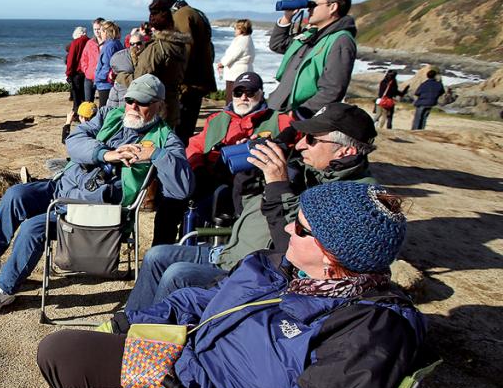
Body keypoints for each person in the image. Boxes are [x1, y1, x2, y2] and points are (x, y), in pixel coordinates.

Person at [0, 181, 424, 388]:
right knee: (61, 351)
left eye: (302, 227)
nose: (287, 227)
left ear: (332, 257)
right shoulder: (284, 267)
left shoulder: (370, 332)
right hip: (187, 373)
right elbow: (201, 300)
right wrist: (129, 323)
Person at [0, 75, 193, 315]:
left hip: (97, 211)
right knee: (17, 194)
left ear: (159, 105)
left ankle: (4, 290)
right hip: (64, 186)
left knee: (33, 228)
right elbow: (75, 140)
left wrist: (156, 155)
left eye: (142, 102)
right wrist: (105, 154)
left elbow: (182, 189)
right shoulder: (110, 115)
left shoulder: (165, 140)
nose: (132, 107)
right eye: (130, 100)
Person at [126, 102, 377, 311]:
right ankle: (129, 325)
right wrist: (249, 176)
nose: (300, 145)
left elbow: (289, 246)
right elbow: (246, 207)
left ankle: (149, 339)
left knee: (177, 274)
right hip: (232, 253)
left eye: (311, 140)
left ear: (345, 150)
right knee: (156, 255)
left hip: (261, 274)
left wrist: (279, 184)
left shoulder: (354, 198)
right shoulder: (309, 171)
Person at [184, 72, 293, 207]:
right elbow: (195, 146)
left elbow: (298, 144)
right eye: (238, 92)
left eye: (250, 92)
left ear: (261, 94)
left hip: (258, 188)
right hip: (213, 182)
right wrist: (198, 168)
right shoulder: (215, 120)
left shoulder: (279, 120)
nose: (244, 97)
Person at [269, 0, 357, 117]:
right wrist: (288, 17)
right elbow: (278, 44)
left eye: (314, 5)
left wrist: (299, 115)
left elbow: (332, 90)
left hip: (298, 116)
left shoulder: (341, 41)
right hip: (279, 108)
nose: (309, 9)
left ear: (332, 7)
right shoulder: (311, 34)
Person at [134, 0, 190, 134]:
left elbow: (139, 84)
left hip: (154, 112)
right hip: (172, 107)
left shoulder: (157, 48)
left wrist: (121, 76)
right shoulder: (180, 44)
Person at [173, 0, 218, 143]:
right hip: (198, 82)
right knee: (186, 128)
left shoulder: (184, 16)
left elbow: (184, 51)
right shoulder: (200, 18)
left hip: (188, 84)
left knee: (180, 131)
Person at [103, 29, 145, 112]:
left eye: (138, 43)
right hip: (121, 96)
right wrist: (112, 76)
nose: (135, 46)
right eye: (132, 44)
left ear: (144, 43)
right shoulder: (121, 57)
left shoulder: (148, 58)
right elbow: (112, 76)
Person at [216, 19, 256, 103]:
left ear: (242, 29)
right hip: (241, 71)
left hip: (236, 72)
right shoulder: (246, 39)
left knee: (233, 96)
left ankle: (231, 115)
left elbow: (233, 55)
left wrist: (222, 63)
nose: (235, 30)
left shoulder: (242, 40)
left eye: (236, 28)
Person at [93, 21, 123, 108]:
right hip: (110, 82)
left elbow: (107, 65)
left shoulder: (110, 45)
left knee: (104, 109)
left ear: (105, 32)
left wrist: (98, 77)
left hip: (105, 84)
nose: (99, 33)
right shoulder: (116, 43)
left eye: (101, 31)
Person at [79, 19, 104, 112]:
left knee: (103, 104)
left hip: (103, 78)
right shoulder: (90, 43)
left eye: (98, 29)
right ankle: (88, 123)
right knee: (88, 103)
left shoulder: (108, 43)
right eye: (95, 29)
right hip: (89, 77)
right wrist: (86, 70)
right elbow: (83, 59)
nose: (97, 31)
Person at [65, 27, 90, 113]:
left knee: (77, 97)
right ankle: (87, 113)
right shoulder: (91, 42)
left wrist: (68, 73)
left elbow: (70, 59)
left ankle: (76, 114)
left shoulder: (75, 42)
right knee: (86, 96)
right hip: (88, 72)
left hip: (77, 73)